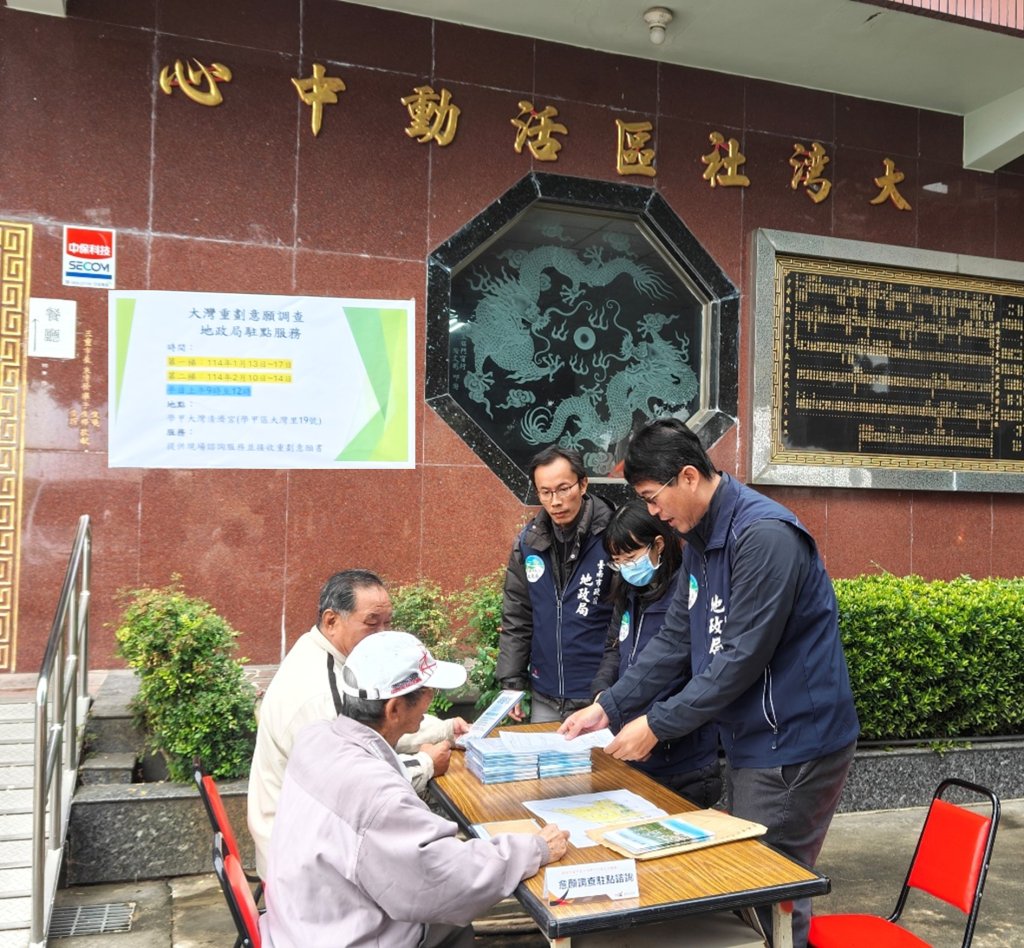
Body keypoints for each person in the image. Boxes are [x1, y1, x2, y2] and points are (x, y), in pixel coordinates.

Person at [561, 418, 859, 947]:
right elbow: (676, 639)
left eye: (654, 498)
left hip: (793, 742)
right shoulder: (698, 537)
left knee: (767, 893)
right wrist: (609, 707)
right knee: (752, 889)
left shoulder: (764, 536)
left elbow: (741, 658)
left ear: (690, 477)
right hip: (752, 740)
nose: (653, 513)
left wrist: (657, 724)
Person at [261, 631, 569, 948]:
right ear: (394, 709)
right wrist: (535, 849)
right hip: (345, 935)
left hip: (300, 922)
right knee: (454, 921)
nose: (431, 701)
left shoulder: (317, 738)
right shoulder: (374, 793)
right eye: (427, 693)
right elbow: (444, 879)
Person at [247, 569, 470, 878]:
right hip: (304, 861)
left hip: (315, 833)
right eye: (371, 623)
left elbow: (374, 728)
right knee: (434, 878)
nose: (382, 634)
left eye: (387, 623)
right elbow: (356, 792)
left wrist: (446, 730)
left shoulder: (329, 656)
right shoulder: (321, 695)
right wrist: (426, 764)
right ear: (331, 621)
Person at [591, 499, 721, 807]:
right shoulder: (628, 593)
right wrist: (602, 695)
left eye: (631, 556)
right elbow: (614, 650)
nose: (624, 567)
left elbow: (692, 674)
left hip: (683, 763)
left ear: (658, 544)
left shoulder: (686, 593)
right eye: (617, 560)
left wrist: (656, 730)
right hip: (634, 754)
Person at [496, 445, 615, 722]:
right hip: (545, 693)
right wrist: (512, 680)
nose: (555, 501)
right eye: (545, 492)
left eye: (564, 489)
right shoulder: (528, 543)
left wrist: (612, 688)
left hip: (598, 696)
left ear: (583, 484)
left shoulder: (612, 536)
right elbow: (517, 615)